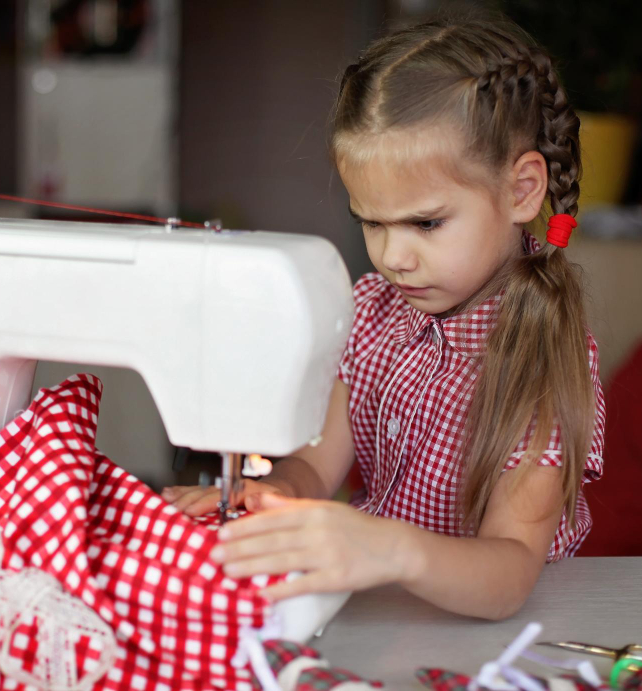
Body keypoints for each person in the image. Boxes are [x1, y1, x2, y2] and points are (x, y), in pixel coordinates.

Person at [163, 14, 605, 621]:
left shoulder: (542, 353)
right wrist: (277, 494)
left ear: (522, 190)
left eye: (426, 223)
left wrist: (390, 546)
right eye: (371, 222)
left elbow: (509, 575)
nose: (393, 257)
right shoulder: (373, 312)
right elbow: (318, 463)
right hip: (389, 613)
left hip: (505, 640)